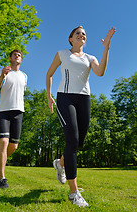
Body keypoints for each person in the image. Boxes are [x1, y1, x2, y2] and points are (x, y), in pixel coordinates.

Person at [46, 26, 116, 207]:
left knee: (78, 143)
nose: (82, 35)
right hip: (65, 97)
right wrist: (49, 96)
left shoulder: (90, 58)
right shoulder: (62, 54)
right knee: (72, 139)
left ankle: (61, 164)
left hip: (84, 99)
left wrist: (106, 47)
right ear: (70, 38)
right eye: (78, 33)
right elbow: (49, 74)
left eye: (84, 34)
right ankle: (73, 192)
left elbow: (100, 72)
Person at [0, 49, 27, 189]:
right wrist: (2, 77)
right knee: (4, 141)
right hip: (3, 112)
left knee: (13, 146)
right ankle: (2, 179)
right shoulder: (2, 71)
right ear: (10, 58)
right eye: (15, 55)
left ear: (21, 60)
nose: (17, 56)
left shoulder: (24, 76)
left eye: (19, 55)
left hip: (18, 112)